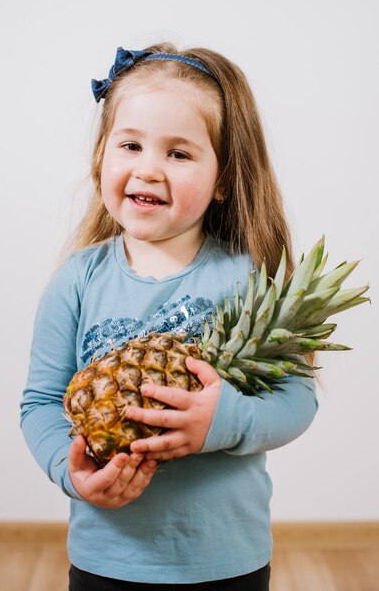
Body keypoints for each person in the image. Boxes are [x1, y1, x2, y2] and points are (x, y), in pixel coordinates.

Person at [20, 43, 319, 591]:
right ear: (100, 159)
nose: (148, 168)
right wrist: (71, 473)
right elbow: (41, 401)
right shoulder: (77, 280)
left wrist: (223, 423)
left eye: (179, 154)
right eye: (130, 144)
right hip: (107, 558)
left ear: (223, 178)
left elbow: (298, 399)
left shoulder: (246, 278)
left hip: (229, 560)